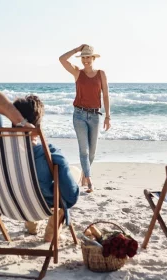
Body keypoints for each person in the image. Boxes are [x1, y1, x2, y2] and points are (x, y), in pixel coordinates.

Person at [0, 85, 80, 242]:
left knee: (28, 178)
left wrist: (19, 120)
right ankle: (51, 227)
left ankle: (31, 224)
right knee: (74, 171)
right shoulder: (48, 153)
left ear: (12, 117)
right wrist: (26, 124)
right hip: (40, 204)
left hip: (5, 202)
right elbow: (70, 196)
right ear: (38, 122)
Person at [59, 44, 111, 193]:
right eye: (83, 58)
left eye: (88, 57)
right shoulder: (77, 73)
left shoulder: (101, 74)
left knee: (92, 152)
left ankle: (84, 174)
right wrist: (76, 49)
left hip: (95, 116)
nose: (85, 60)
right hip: (79, 115)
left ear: (93, 58)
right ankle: (89, 180)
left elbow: (106, 96)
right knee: (84, 151)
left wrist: (108, 116)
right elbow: (61, 59)